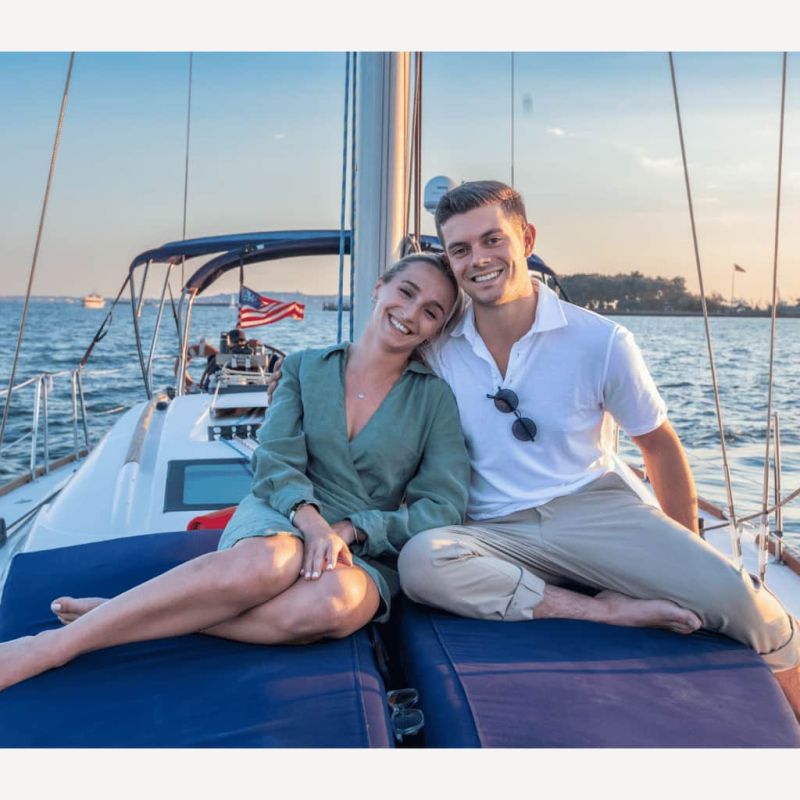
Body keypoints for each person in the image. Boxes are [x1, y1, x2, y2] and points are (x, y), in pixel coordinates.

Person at [396, 180, 800, 721]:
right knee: (422, 562)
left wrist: (684, 548)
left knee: (754, 611)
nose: (479, 260)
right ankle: (603, 611)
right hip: (492, 527)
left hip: (593, 508)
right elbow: (371, 373)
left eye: (493, 240)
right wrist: (303, 386)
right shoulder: (437, 346)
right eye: (461, 249)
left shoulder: (600, 340)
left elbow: (657, 445)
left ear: (525, 237)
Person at [0, 253, 469, 692]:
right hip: (283, 513)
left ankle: (119, 615)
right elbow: (275, 459)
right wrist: (312, 523)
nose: (411, 313)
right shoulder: (305, 368)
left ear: (435, 330)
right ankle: (52, 647)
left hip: (362, 546)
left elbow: (443, 505)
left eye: (431, 311)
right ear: (379, 287)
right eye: (406, 292)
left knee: (332, 604)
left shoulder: (434, 400)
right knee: (271, 563)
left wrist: (350, 530)